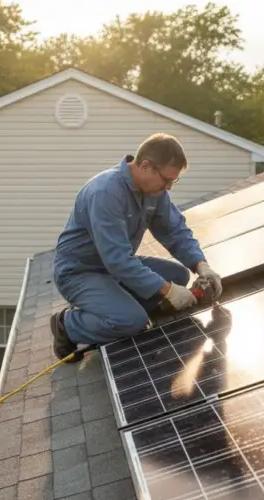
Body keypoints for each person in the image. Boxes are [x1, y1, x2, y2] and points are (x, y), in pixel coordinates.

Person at [49, 133, 223, 362]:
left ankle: (114, 304)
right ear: (145, 166)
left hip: (113, 269)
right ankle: (67, 325)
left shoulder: (154, 191)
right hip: (80, 273)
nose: (169, 187)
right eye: (166, 179)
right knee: (132, 321)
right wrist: (167, 291)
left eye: (174, 181)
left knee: (179, 275)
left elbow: (174, 230)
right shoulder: (105, 192)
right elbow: (118, 260)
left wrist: (201, 265)